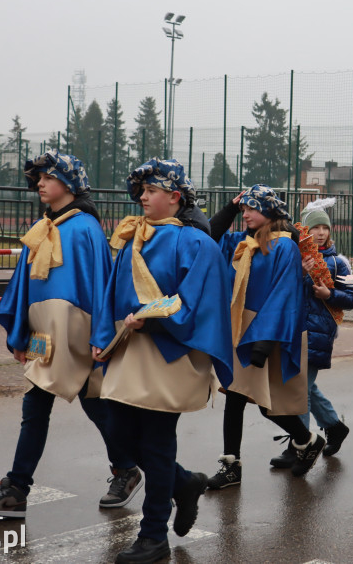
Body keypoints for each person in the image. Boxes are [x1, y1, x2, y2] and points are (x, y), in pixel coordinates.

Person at [91, 159, 234, 564]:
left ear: (174, 198)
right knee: (117, 432)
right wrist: (103, 337)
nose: (142, 198)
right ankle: (184, 482)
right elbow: (110, 294)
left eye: (150, 191)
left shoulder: (197, 244)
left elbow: (202, 303)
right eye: (141, 192)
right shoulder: (135, 238)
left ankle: (154, 536)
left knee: (154, 443)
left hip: (170, 353)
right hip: (130, 351)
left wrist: (153, 321)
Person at [0, 150, 140, 519]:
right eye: (38, 178)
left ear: (68, 184)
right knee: (35, 408)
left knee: (96, 406)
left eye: (48, 177)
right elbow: (24, 286)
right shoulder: (43, 227)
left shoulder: (84, 228)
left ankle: (128, 469)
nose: (39, 183)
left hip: (78, 336)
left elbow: (102, 285)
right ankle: (18, 487)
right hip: (43, 336)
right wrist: (21, 335)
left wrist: (101, 335)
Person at [206, 185, 324, 490]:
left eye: (251, 209)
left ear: (269, 211)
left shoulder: (283, 246)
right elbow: (208, 238)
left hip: (265, 331)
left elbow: (283, 294)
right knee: (236, 395)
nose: (245, 214)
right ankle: (234, 463)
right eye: (243, 209)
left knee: (261, 401)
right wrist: (230, 208)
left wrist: (261, 343)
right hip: (239, 326)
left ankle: (305, 440)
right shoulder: (241, 241)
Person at [271, 198, 353, 468]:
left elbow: (352, 299)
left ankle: (301, 445)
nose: (320, 233)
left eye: (324, 228)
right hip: (293, 329)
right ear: (304, 231)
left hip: (319, 333)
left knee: (300, 392)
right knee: (307, 387)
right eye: (315, 228)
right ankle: (334, 426)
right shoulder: (295, 256)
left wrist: (329, 294)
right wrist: (300, 272)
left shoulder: (337, 263)